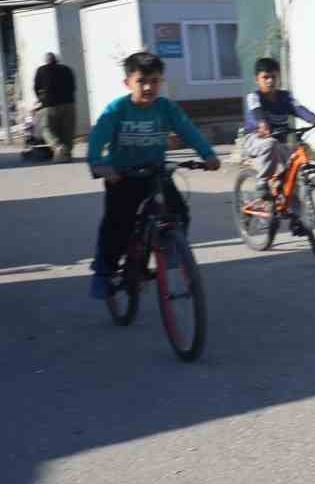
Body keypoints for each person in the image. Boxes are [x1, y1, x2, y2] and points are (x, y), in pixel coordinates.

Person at [86, 51, 221, 299]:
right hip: (122, 176)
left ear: (161, 81)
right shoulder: (117, 109)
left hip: (155, 173)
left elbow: (188, 130)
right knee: (118, 224)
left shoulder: (166, 108)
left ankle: (169, 249)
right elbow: (97, 138)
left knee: (179, 212)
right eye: (141, 81)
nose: (148, 87)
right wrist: (98, 164)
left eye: (155, 81)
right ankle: (103, 271)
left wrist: (208, 154)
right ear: (128, 82)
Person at [240, 58, 315, 215]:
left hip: (279, 143)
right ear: (257, 79)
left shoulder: (285, 97)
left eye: (273, 77)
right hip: (255, 140)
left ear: (279, 77)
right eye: (265, 77)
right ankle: (262, 184)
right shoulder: (254, 97)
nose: (270, 81)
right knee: (269, 143)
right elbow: (256, 112)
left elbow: (300, 109)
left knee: (293, 174)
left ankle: (296, 217)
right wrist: (262, 123)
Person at [32, 52, 77, 161]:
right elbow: (73, 87)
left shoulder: (41, 70)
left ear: (46, 61)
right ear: (57, 60)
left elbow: (36, 87)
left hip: (50, 105)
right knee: (67, 130)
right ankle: (67, 154)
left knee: (47, 128)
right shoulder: (67, 69)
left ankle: (57, 146)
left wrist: (40, 100)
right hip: (69, 103)